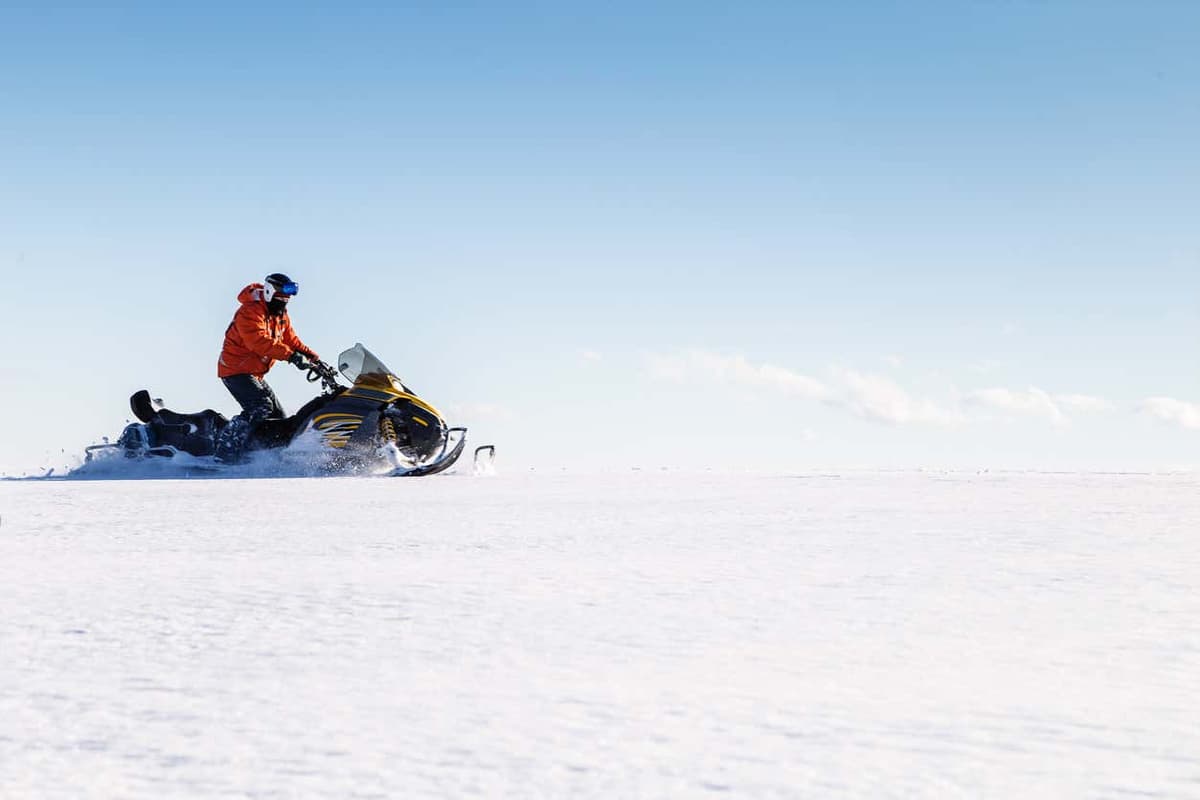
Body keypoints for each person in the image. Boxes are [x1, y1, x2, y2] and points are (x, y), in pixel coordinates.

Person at [214, 273, 320, 463]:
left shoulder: (280, 315)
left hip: (254, 373)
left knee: (278, 418)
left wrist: (312, 357)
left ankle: (262, 456)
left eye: (287, 299)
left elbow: (291, 340)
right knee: (260, 406)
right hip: (235, 370)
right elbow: (259, 342)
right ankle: (225, 450)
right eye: (281, 298)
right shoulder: (250, 311)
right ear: (270, 292)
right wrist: (292, 356)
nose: (284, 302)